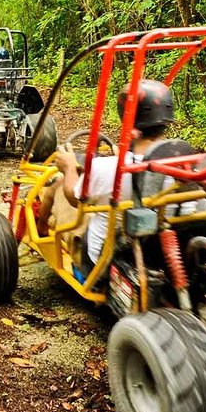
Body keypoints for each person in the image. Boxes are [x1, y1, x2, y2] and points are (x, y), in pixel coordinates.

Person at [37, 79, 175, 269]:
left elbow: (74, 198)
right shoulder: (181, 164)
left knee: (59, 186)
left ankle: (41, 227)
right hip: (161, 251)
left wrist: (69, 168)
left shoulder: (108, 168)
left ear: (126, 119)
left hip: (102, 259)